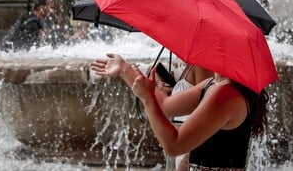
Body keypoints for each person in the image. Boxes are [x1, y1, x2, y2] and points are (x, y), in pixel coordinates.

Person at [90, 53, 269, 170]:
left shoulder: (226, 94)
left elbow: (174, 145)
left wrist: (147, 98)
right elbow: (166, 105)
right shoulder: (213, 84)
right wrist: (124, 69)